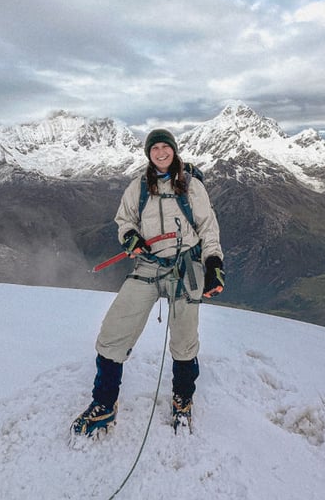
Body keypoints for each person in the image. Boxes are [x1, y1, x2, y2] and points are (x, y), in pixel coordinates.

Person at [72, 128, 224, 436]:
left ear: (174, 150)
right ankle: (104, 403)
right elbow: (124, 220)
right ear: (148, 154)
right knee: (113, 333)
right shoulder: (138, 187)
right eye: (155, 148)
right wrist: (129, 236)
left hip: (186, 265)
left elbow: (208, 228)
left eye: (165, 147)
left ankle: (182, 400)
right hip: (150, 264)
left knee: (184, 340)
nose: (160, 153)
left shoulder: (192, 186)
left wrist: (214, 262)